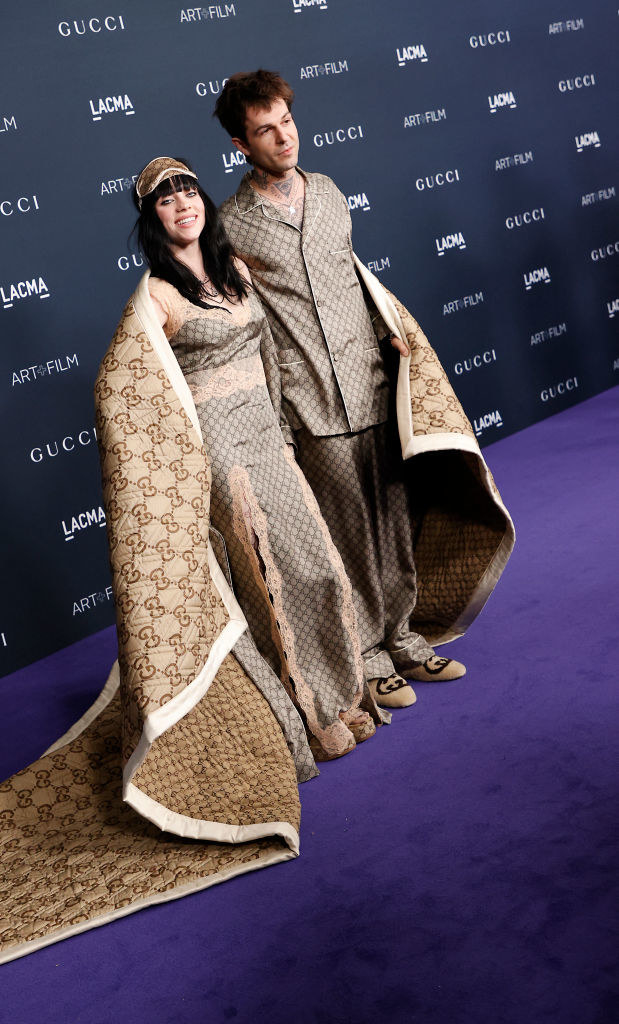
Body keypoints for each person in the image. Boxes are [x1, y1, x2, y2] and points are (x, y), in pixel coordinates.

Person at [215, 71, 470, 710]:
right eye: (264, 131)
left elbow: (354, 277)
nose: (283, 137)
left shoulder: (328, 193)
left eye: (287, 121)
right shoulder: (231, 225)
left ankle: (406, 638)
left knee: (392, 519)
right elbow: (245, 323)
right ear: (242, 145)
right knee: (347, 535)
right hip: (308, 400)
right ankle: (368, 656)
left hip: (372, 384)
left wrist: (389, 334)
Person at [131, 156, 384, 760]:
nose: (184, 203)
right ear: (152, 219)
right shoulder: (156, 297)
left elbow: (270, 352)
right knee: (268, 579)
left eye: (190, 191)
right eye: (167, 199)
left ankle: (344, 696)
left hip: (268, 436)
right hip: (220, 451)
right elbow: (133, 389)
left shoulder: (235, 269)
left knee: (318, 565)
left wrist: (280, 426)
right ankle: (307, 720)